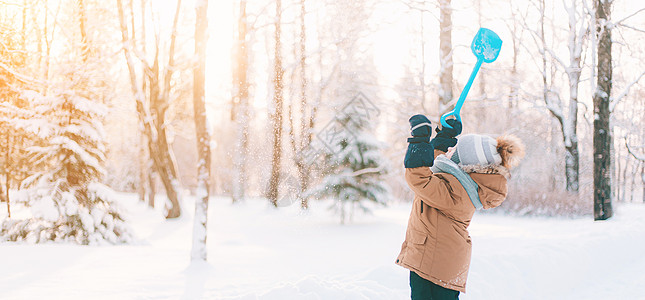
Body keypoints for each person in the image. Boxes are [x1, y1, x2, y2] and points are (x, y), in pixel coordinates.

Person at [396, 114, 525, 299]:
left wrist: (419, 141)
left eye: (454, 151)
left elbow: (420, 178)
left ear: (463, 164)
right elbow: (437, 165)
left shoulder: (456, 192)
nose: (448, 151)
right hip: (438, 259)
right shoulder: (462, 182)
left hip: (435, 264)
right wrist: (443, 139)